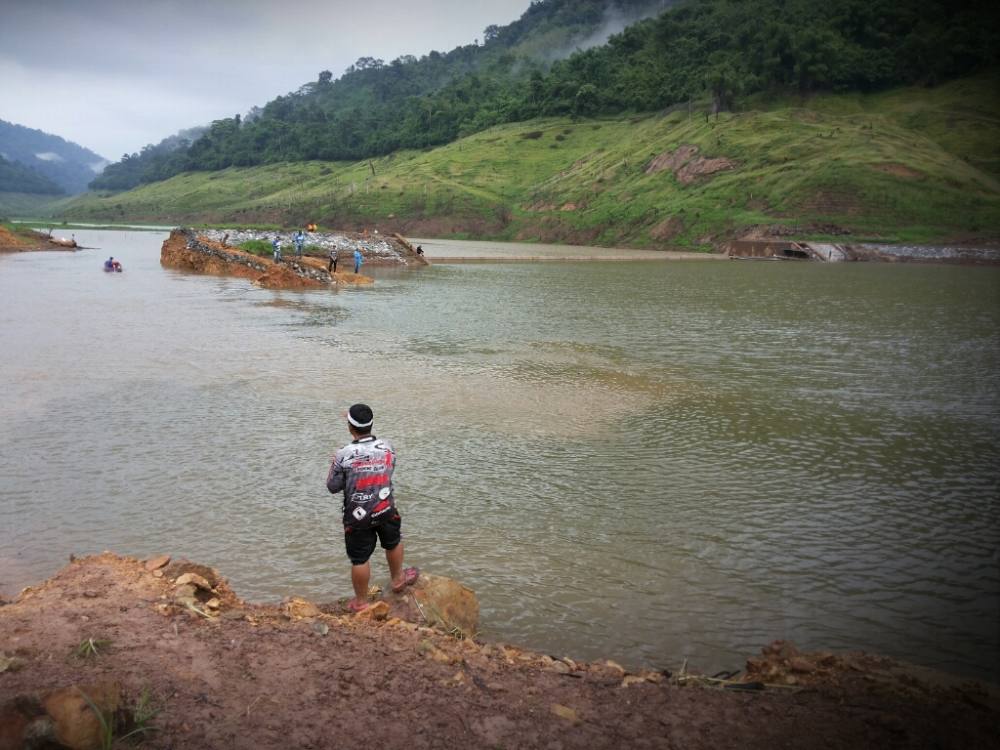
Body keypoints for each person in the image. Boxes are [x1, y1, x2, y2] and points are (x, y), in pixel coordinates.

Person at [326, 403, 418, 613]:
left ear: (351, 428)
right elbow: (389, 470)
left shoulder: (344, 454)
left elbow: (333, 486)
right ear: (371, 424)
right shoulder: (387, 447)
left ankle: (361, 602)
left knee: (359, 559)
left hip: (358, 517)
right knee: (393, 542)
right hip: (385, 508)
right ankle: (397, 580)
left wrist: (335, 464)